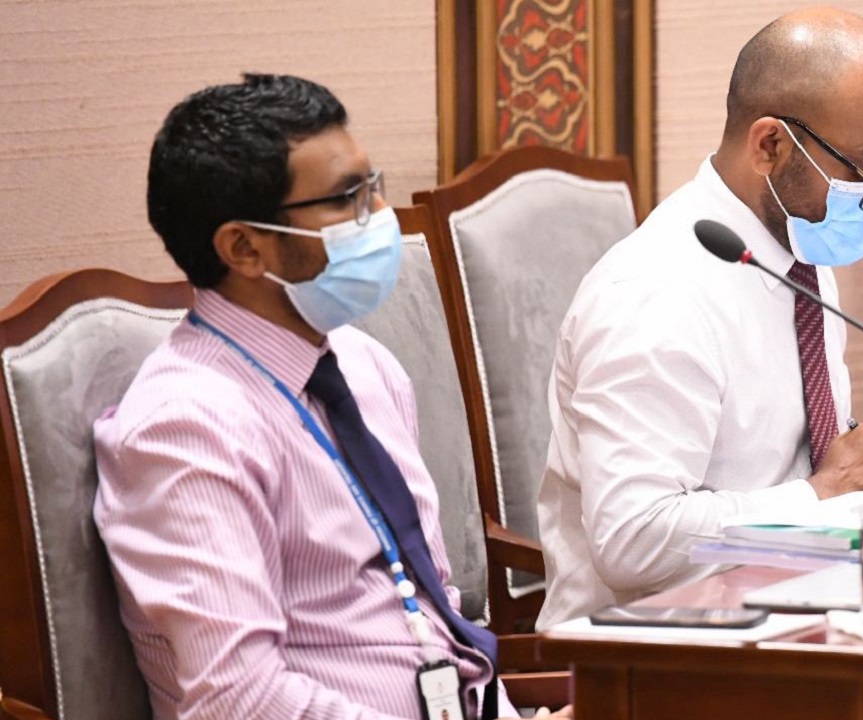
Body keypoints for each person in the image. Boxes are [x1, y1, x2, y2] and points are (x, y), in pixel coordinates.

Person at [94, 74, 569, 720]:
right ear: (243, 247)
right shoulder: (185, 428)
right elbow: (239, 699)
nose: (379, 216)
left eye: (371, 187)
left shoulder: (364, 366)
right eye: (348, 200)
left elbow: (436, 610)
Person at [537, 8, 863, 629]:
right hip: (649, 647)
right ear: (771, 145)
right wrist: (824, 494)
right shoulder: (656, 294)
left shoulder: (797, 254)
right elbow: (633, 541)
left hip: (794, 608)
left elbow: (796, 462)